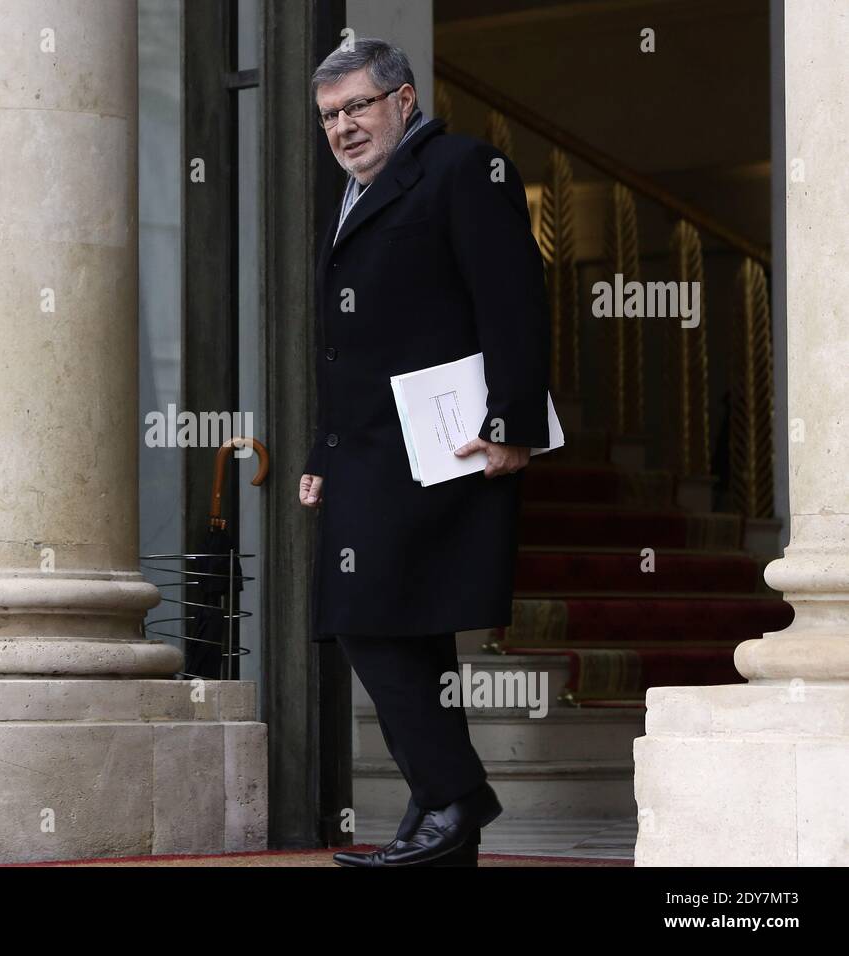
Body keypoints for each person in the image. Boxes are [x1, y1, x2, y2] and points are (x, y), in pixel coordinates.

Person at [300, 38, 551, 867]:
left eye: (358, 108)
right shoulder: (349, 194)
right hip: (368, 452)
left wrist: (514, 422)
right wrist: (319, 453)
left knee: (364, 617)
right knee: (405, 630)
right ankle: (439, 830)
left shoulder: (462, 171)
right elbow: (347, 346)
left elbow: (511, 298)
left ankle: (454, 798)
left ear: (404, 101)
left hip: (447, 443)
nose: (344, 128)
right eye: (331, 116)